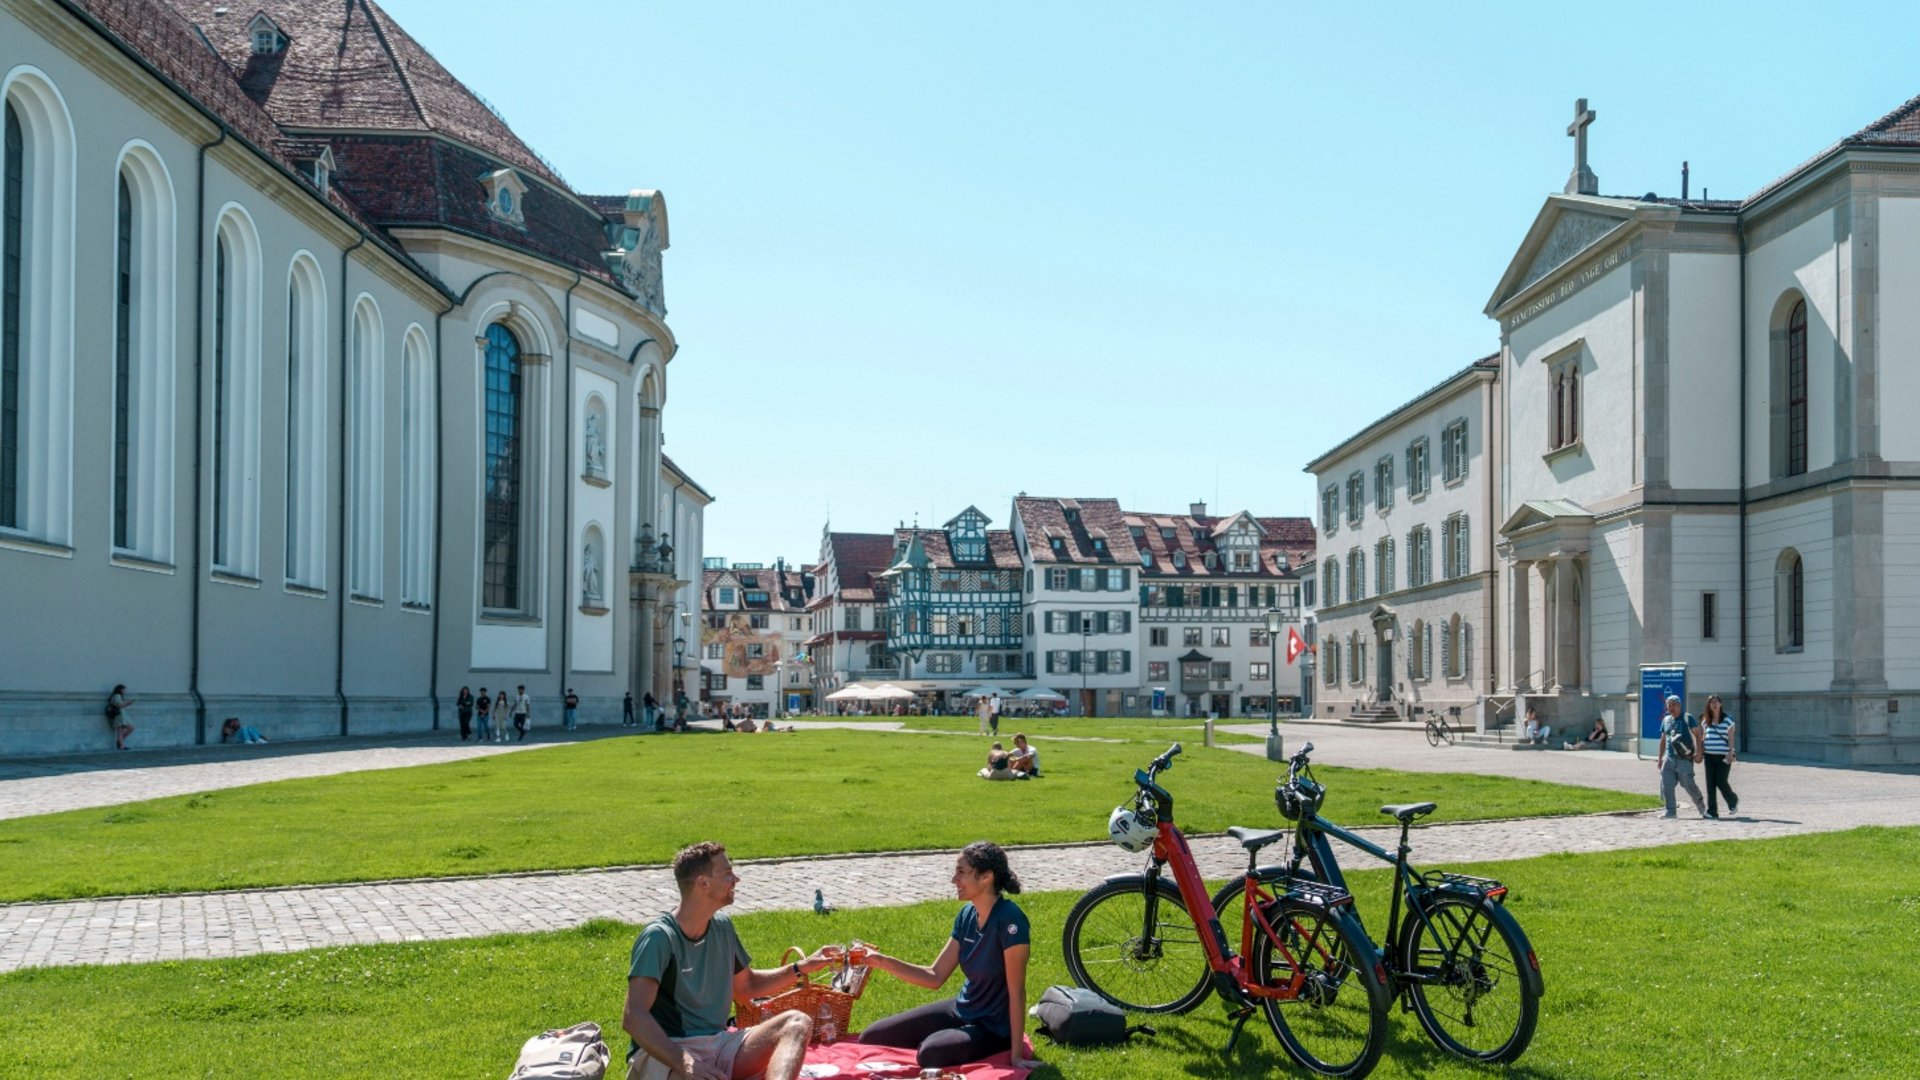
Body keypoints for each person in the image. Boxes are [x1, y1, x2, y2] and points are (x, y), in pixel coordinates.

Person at [621, 841, 835, 1080]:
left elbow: (747, 986)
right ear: (703, 883)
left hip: (718, 1043)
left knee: (796, 1023)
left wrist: (801, 968)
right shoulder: (659, 938)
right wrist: (684, 1061)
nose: (736, 879)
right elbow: (634, 1017)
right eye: (727, 874)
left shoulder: (722, 927)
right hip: (668, 1051)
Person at [858, 842, 1037, 1071]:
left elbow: (1017, 991)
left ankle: (971, 1041)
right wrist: (880, 960)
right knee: (872, 1036)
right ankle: (951, 1036)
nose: (954, 880)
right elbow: (935, 975)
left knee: (930, 1053)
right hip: (963, 1008)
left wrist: (1016, 1056)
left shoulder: (1010, 921)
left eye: (961, 872)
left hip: (993, 1026)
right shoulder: (967, 915)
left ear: (986, 877)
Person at [1656, 694, 1707, 819]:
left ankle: (1702, 808)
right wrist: (1660, 758)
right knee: (1667, 784)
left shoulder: (1687, 718)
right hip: (1669, 758)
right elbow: (1663, 739)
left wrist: (1699, 753)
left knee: (1688, 784)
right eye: (1668, 705)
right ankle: (1671, 811)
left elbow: (1698, 735)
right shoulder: (1666, 720)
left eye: (1673, 704)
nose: (1670, 707)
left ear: (1679, 705)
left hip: (1684, 759)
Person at [1700, 694, 1739, 818]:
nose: (1714, 704)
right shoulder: (1706, 721)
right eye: (1711, 702)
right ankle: (1712, 811)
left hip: (1723, 756)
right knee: (1710, 783)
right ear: (1709, 705)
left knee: (1721, 781)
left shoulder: (1728, 720)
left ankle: (1732, 800)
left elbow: (1731, 737)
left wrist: (1731, 751)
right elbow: (1703, 737)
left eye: (1716, 702)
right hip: (1709, 756)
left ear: (1720, 704)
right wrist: (1700, 751)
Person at [105, 684, 134, 750]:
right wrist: (128, 702)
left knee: (121, 730)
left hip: (121, 714)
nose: (124, 691)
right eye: (123, 690)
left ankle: (121, 743)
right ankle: (121, 744)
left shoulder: (117, 696)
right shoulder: (117, 696)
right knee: (129, 728)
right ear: (120, 690)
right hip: (119, 715)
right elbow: (119, 705)